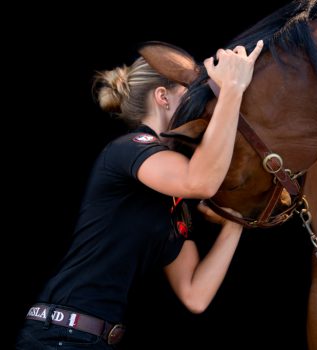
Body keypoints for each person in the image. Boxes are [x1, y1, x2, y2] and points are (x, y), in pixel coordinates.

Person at [16, 40, 264, 349]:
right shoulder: (130, 148)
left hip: (87, 339)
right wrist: (232, 90)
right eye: (189, 90)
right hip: (58, 336)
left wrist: (237, 221)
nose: (201, 100)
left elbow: (195, 294)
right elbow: (201, 181)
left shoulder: (176, 205)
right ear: (163, 97)